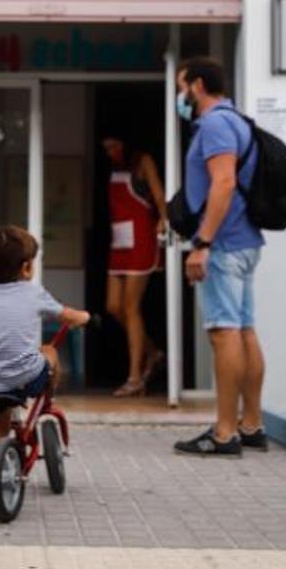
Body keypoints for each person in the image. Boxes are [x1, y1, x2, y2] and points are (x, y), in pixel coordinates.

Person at [171, 57, 269, 457]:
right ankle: (251, 424)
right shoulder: (238, 121)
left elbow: (224, 181)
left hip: (224, 244)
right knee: (244, 330)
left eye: (182, 87)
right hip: (244, 241)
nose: (181, 96)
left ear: (196, 86)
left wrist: (203, 243)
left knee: (223, 332)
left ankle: (225, 432)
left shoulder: (214, 124)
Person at [0, 225, 91, 506]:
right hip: (29, 377)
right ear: (26, 268)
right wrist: (85, 316)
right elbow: (69, 316)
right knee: (49, 351)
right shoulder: (33, 293)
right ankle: (46, 397)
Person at [101, 134, 168, 397]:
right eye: (106, 148)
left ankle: (135, 377)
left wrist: (163, 219)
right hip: (119, 240)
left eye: (114, 145)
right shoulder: (116, 168)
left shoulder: (143, 161)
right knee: (113, 307)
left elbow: (158, 194)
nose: (110, 152)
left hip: (141, 239)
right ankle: (153, 353)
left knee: (131, 308)